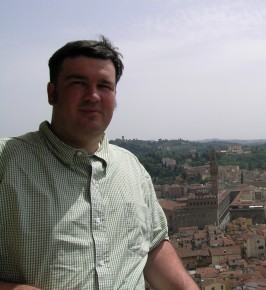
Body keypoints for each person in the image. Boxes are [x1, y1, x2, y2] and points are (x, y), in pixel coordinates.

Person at [0, 35, 199, 290]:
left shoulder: (132, 168)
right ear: (52, 93)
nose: (93, 96)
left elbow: (153, 245)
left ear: (115, 96)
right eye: (78, 83)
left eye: (104, 86)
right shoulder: (6, 161)